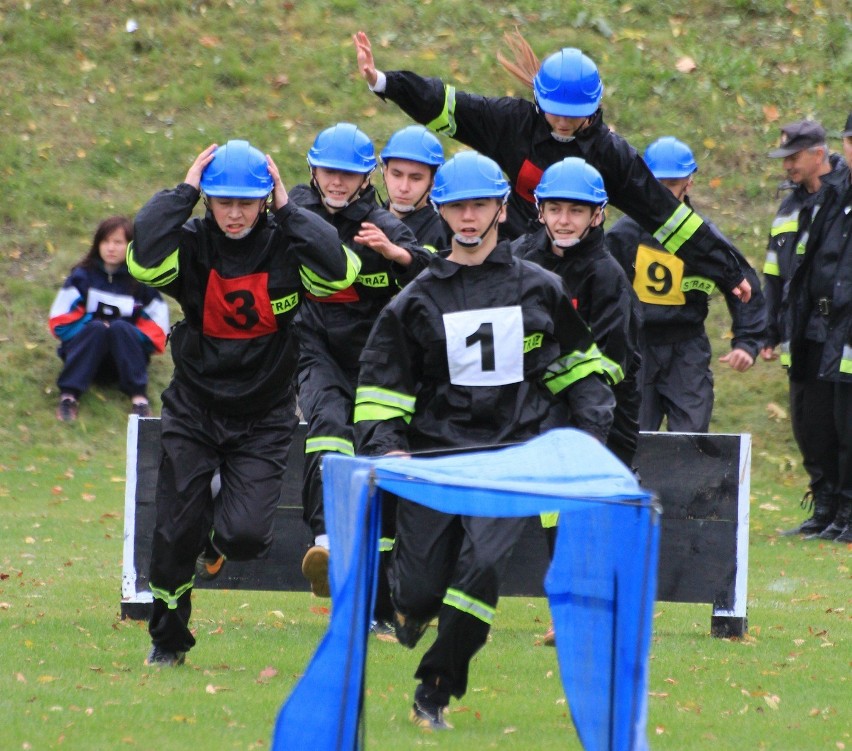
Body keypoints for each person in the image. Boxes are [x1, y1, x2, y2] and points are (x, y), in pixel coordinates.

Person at [353, 151, 616, 730]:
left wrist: (587, 440)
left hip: (511, 458)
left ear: (501, 209)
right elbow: (381, 385)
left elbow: (581, 368)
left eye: (478, 206)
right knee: (418, 595)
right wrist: (385, 445)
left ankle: (435, 689)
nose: (468, 218)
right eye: (456, 207)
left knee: (480, 576)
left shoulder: (540, 288)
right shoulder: (414, 300)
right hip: (434, 459)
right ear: (441, 213)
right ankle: (410, 609)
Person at [127, 139, 356, 666]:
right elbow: (142, 258)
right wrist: (182, 191)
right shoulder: (189, 242)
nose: (234, 213)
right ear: (208, 201)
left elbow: (340, 269)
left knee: (246, 537)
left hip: (265, 415)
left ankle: (215, 540)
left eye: (246, 202)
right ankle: (168, 639)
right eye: (222, 201)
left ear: (263, 201)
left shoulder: (287, 245)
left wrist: (289, 207)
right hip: (195, 408)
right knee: (173, 533)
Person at [352, 29, 753, 304]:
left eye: (573, 115)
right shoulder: (513, 123)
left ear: (594, 107)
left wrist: (727, 269)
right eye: (555, 113)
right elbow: (443, 103)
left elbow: (667, 216)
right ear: (539, 101)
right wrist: (385, 81)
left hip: (576, 271)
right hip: (509, 256)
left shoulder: (610, 154)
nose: (562, 123)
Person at [288, 123, 431, 598]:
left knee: (376, 452)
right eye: (329, 171)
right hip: (315, 350)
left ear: (366, 179)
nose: (337, 182)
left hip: (373, 361)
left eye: (348, 175)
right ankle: (325, 545)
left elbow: (433, 266)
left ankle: (379, 584)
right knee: (327, 424)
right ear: (312, 170)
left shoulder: (379, 224)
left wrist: (398, 256)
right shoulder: (294, 211)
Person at [605, 136, 766, 433]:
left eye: (673, 183)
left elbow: (742, 282)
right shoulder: (623, 235)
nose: (664, 193)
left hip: (687, 350)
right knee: (634, 437)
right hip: (638, 350)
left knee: (691, 437)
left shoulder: (704, 237)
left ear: (689, 183)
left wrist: (747, 341)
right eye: (658, 185)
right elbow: (596, 288)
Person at [760, 121, 848, 537]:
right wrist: (768, 329)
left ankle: (845, 511)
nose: (788, 167)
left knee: (843, 424)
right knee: (808, 423)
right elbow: (774, 274)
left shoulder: (843, 191)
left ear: (818, 153)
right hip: (803, 328)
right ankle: (824, 505)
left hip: (841, 327)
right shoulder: (791, 205)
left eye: (794, 158)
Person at [49, 215, 169, 422]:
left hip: (124, 361)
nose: (111, 248)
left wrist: (119, 332)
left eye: (118, 242)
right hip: (84, 356)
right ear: (97, 244)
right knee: (97, 328)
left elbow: (157, 330)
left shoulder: (141, 282)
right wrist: (94, 325)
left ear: (130, 246)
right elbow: (60, 322)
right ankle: (68, 397)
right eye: (105, 241)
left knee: (120, 328)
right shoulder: (82, 276)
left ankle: (139, 399)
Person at [380, 124, 451, 251]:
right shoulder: (363, 223)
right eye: (396, 175)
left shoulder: (445, 236)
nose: (403, 187)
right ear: (385, 173)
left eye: (415, 178)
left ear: (433, 181)